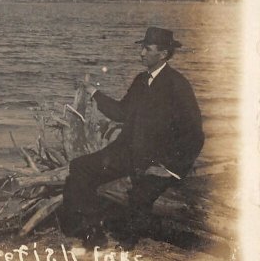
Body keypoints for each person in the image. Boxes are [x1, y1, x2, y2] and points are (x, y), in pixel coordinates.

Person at [58, 26, 205, 249]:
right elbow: (121, 113)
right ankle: (92, 233)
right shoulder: (140, 80)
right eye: (142, 48)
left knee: (138, 199)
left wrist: (170, 168)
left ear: (163, 54)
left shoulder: (178, 85)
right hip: (127, 153)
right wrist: (94, 93)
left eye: (147, 49)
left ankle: (126, 245)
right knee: (80, 167)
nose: (141, 53)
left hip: (157, 161)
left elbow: (195, 134)